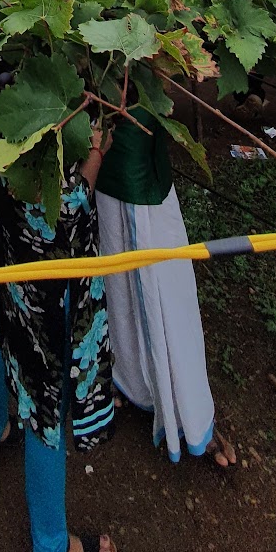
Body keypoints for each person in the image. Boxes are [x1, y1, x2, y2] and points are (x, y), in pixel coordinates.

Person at [0, 65, 119, 552]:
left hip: (14, 236)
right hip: (53, 262)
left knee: (14, 320)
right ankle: (55, 551)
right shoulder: (61, 68)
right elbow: (65, 206)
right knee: (47, 393)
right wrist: (97, 153)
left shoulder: (1, 54)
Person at [95, 104, 235, 468]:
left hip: (136, 150)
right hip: (112, 146)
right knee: (127, 279)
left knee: (161, 282)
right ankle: (143, 388)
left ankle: (186, 413)